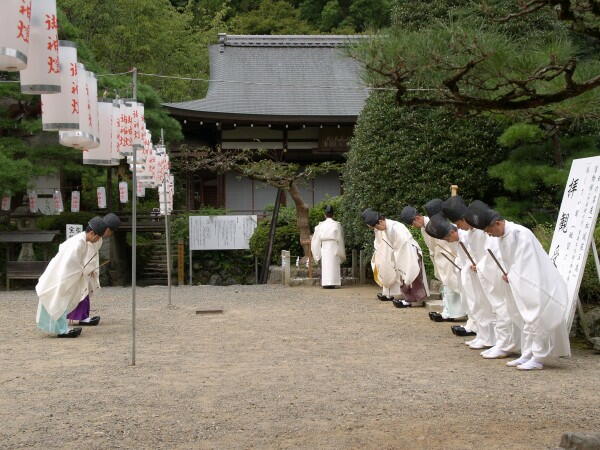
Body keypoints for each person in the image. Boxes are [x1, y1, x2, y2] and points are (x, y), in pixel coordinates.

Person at [469, 201, 570, 370]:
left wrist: (513, 274)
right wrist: (508, 273)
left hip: (536, 282)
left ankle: (538, 357)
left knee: (535, 317)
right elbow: (509, 261)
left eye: (489, 230)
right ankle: (527, 353)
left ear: (498, 223)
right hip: (520, 282)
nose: (489, 235)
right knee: (524, 317)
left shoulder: (520, 234)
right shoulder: (502, 237)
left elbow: (527, 263)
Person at [437, 196, 498, 350]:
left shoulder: (481, 231)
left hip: (487, 272)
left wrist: (480, 265)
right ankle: (483, 336)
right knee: (478, 305)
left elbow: (491, 251)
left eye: (459, 224)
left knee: (489, 306)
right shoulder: (468, 233)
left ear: (465, 219)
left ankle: (494, 339)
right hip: (475, 273)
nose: (459, 227)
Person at [35, 217, 108, 338]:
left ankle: (58, 328)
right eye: (98, 237)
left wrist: (82, 270)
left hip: (60, 273)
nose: (98, 240)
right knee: (59, 300)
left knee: (58, 300)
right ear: (92, 233)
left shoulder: (81, 240)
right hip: (61, 275)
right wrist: (82, 271)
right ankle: (61, 330)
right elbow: (69, 263)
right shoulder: (78, 243)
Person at [400, 199, 466, 323]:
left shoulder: (435, 224)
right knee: (447, 285)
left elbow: (449, 241)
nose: (413, 226)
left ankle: (457, 312)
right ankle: (450, 311)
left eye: (413, 223)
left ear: (417, 218)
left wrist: (455, 256)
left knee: (453, 284)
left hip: (449, 256)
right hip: (439, 258)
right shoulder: (424, 228)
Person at [362, 208, 428, 307]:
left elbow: (405, 244)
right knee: (403, 277)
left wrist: (401, 259)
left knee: (413, 275)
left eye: (377, 227)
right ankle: (408, 299)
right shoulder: (385, 228)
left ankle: (416, 300)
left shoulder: (396, 227)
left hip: (409, 252)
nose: (377, 229)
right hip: (400, 253)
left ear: (380, 221)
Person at [66, 212, 121, 326]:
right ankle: (80, 318)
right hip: (81, 268)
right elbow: (87, 256)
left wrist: (92, 269)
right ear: (107, 229)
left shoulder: (97, 238)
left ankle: (82, 317)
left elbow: (93, 256)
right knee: (81, 292)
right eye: (110, 231)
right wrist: (87, 269)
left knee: (84, 293)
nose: (109, 234)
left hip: (85, 268)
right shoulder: (91, 238)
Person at [311, 205, 346, 288]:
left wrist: (317, 253)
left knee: (326, 264)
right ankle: (334, 282)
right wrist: (341, 250)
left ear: (325, 215)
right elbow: (340, 238)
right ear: (333, 215)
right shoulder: (337, 224)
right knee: (333, 264)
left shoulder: (320, 225)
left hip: (325, 246)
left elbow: (316, 240)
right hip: (334, 246)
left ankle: (326, 283)